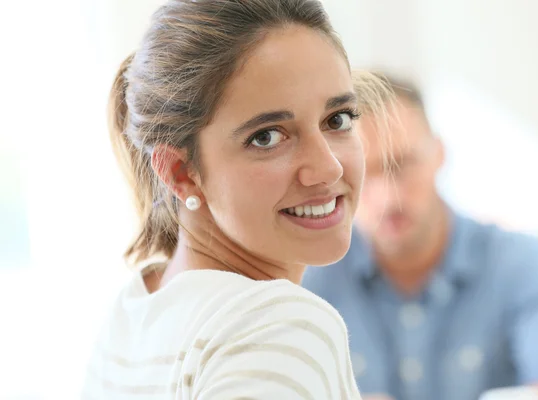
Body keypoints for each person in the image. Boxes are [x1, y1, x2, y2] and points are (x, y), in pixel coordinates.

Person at [81, 1, 396, 398]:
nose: (328, 168)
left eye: (338, 119)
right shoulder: (281, 326)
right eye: (266, 137)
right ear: (180, 172)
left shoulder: (132, 313)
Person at [302, 74, 538, 400]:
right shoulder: (310, 286)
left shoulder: (520, 265)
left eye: (403, 164)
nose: (389, 197)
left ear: (439, 155)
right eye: (363, 173)